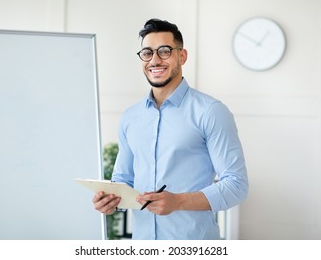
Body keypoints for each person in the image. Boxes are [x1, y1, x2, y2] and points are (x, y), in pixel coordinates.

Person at [93, 18, 248, 240]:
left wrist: (178, 201)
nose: (154, 60)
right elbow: (123, 180)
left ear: (181, 56)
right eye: (147, 53)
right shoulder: (130, 117)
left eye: (164, 51)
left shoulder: (211, 112)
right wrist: (111, 202)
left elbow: (237, 185)